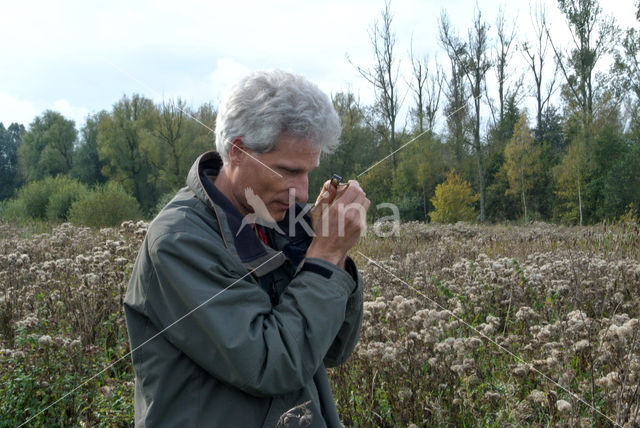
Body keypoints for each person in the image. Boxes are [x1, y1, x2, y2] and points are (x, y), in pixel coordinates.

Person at [124, 69, 370, 427]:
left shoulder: (282, 223)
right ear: (237, 151)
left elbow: (333, 349)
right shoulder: (179, 241)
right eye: (287, 170)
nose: (302, 192)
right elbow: (272, 364)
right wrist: (326, 256)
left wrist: (319, 248)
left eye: (308, 172)